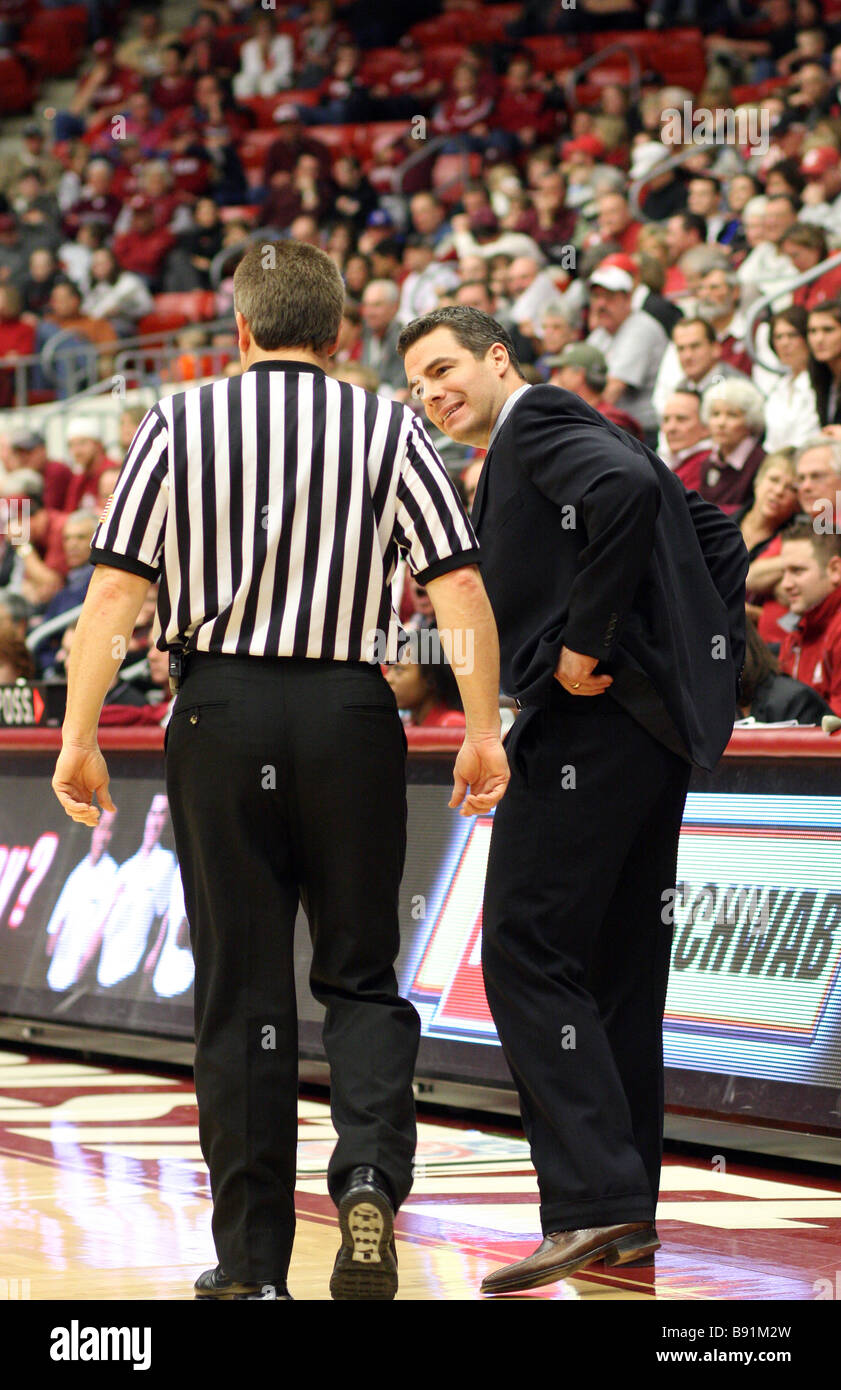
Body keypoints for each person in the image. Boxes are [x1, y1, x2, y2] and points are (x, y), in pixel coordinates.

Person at [51, 239, 508, 1302]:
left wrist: (78, 735)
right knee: (358, 974)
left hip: (219, 715)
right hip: (350, 714)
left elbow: (114, 597)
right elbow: (459, 593)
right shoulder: (390, 425)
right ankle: (364, 1183)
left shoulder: (177, 419)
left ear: (242, 331)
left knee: (241, 993)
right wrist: (482, 725)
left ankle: (251, 1261)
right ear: (340, 335)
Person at [399, 304, 747, 1296]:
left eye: (444, 368)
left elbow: (635, 492)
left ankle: (592, 1203)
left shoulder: (539, 422)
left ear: (496, 357)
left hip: (589, 731)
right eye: (419, 383)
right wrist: (690, 660)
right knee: (615, 969)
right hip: (644, 734)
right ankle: (622, 1213)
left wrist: (592, 643)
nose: (432, 393)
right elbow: (709, 532)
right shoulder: (545, 437)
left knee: (521, 945)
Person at [778, 521, 841, 713]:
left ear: (835, 570)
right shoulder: (794, 637)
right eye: (783, 573)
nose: (786, 584)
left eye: (797, 571)